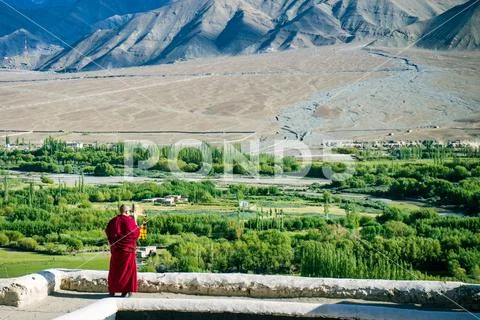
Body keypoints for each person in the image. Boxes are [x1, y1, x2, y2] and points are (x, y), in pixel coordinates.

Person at [105, 204, 142, 297]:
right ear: (126, 212)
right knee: (127, 271)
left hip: (116, 251)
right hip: (127, 251)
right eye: (129, 212)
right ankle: (125, 291)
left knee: (115, 270)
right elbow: (136, 234)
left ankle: (112, 290)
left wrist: (114, 243)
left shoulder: (113, 221)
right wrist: (135, 220)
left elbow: (108, 232)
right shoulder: (130, 221)